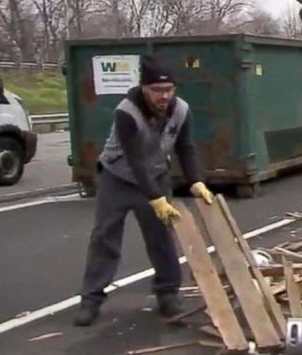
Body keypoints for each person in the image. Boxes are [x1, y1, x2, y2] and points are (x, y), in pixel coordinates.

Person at [74, 56, 214, 327]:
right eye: (157, 90)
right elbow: (135, 159)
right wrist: (156, 199)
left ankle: (167, 294)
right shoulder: (126, 112)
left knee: (162, 235)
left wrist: (196, 180)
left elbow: (186, 147)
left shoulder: (182, 110)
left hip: (156, 175)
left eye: (169, 90)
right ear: (144, 88)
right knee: (105, 236)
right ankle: (90, 299)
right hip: (117, 176)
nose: (164, 96)